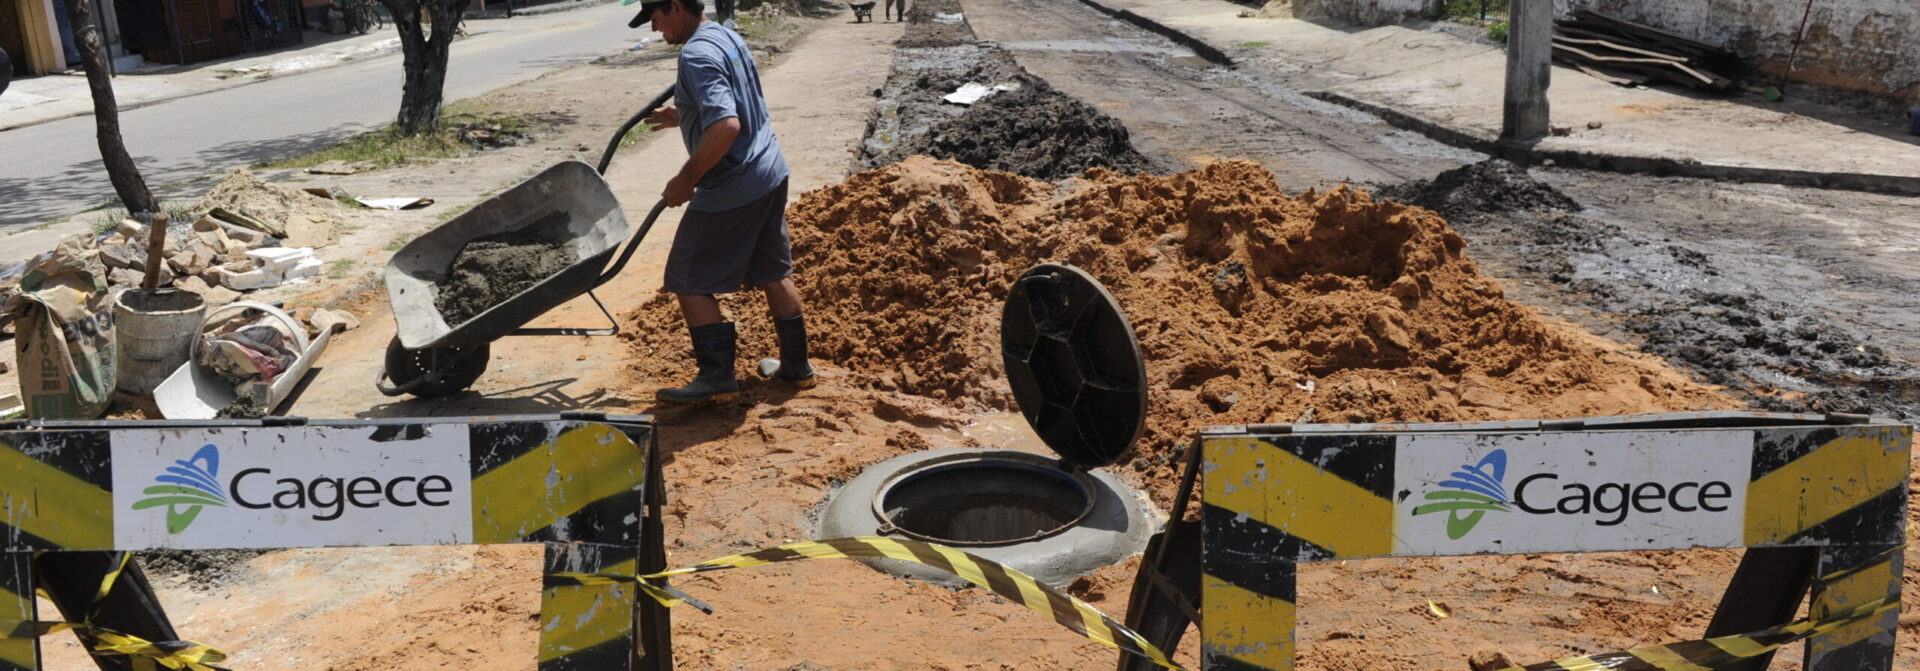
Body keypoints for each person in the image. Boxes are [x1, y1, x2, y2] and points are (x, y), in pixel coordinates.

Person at [628, 0, 814, 403]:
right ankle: (797, 368)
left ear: (676, 6)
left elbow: (727, 125)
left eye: (657, 19)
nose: (657, 30)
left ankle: (717, 377)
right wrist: (683, 114)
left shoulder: (695, 54)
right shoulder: (726, 36)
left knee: (686, 276)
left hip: (734, 182)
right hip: (769, 170)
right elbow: (734, 103)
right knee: (771, 271)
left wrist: (686, 179)